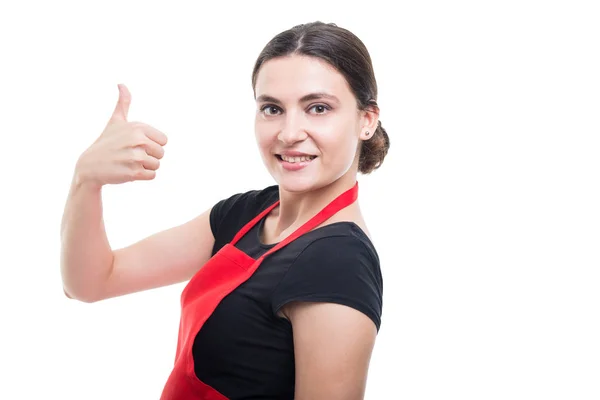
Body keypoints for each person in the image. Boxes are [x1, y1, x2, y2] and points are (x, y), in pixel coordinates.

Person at [60, 21, 390, 399]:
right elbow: (91, 281)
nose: (288, 132)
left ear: (366, 120)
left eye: (318, 108)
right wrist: (86, 180)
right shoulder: (250, 212)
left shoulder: (338, 264)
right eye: (272, 108)